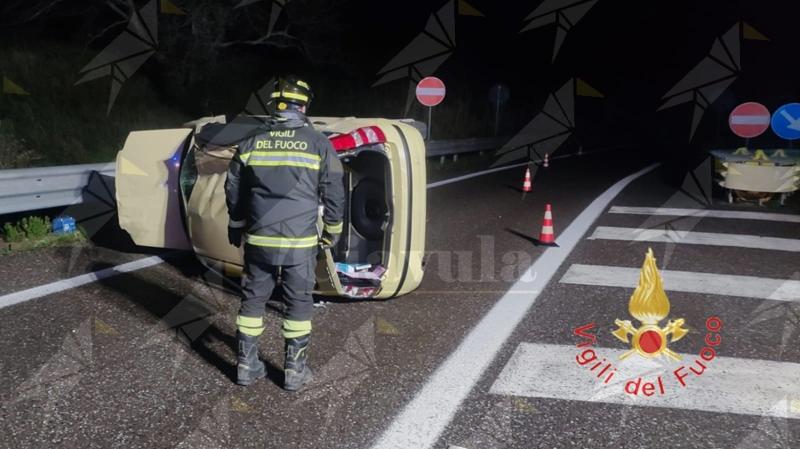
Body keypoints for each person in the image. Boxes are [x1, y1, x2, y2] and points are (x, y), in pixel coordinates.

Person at [224, 75, 345, 391]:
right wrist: (332, 231)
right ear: (304, 105)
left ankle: (246, 367)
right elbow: (334, 190)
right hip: (300, 243)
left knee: (252, 299)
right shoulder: (318, 143)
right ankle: (293, 372)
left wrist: (235, 225)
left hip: (259, 240)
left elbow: (233, 187)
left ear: (274, 104)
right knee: (299, 303)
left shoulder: (252, 140)